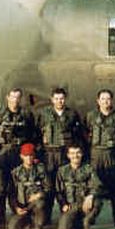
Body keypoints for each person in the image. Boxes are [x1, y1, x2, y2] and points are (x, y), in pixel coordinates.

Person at [36, 87, 85, 220]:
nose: (59, 101)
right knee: (49, 185)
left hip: (65, 154)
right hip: (49, 154)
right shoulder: (44, 113)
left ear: (65, 99)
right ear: (52, 99)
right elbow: (37, 134)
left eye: (62, 98)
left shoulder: (72, 114)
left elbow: (78, 135)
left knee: (66, 184)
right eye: (56, 99)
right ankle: (46, 216)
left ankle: (68, 215)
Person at [85, 89, 115, 226]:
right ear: (98, 101)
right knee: (94, 186)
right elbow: (86, 133)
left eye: (108, 99)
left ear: (111, 101)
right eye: (103, 99)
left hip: (113, 155)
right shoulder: (91, 116)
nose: (105, 101)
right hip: (96, 155)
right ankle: (91, 216)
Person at [56, 144, 103, 229]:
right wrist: (63, 204)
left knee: (97, 201)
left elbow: (98, 185)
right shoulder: (62, 171)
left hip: (85, 204)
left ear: (82, 154)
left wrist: (90, 196)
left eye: (78, 153)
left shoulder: (88, 169)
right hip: (71, 205)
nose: (75, 156)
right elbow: (58, 191)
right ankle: (77, 224)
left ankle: (87, 223)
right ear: (68, 155)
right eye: (72, 153)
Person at [8, 143, 50, 229]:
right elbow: (12, 193)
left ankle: (37, 222)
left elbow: (48, 188)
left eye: (31, 155)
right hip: (23, 206)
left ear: (34, 155)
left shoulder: (40, 169)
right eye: (26, 155)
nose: (29, 158)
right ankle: (27, 220)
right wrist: (16, 208)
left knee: (40, 203)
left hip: (36, 205)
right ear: (21, 156)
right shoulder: (16, 172)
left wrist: (39, 195)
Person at [0, 88, 37, 178]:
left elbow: (33, 134)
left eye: (18, 97)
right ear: (8, 97)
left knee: (20, 179)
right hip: (4, 153)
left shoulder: (26, 114)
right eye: (13, 97)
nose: (15, 100)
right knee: (3, 178)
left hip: (21, 153)